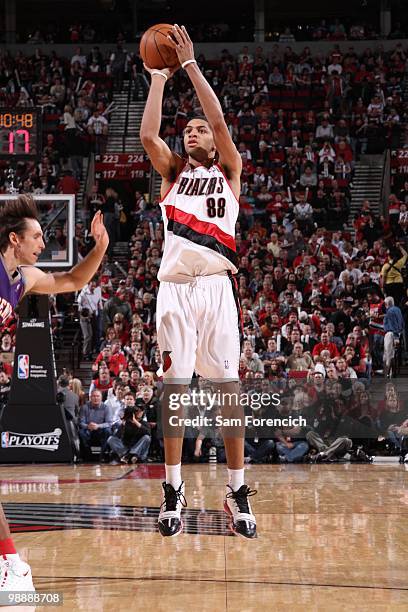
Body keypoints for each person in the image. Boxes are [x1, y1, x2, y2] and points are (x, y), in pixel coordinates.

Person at [140, 24, 257, 538]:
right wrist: (157, 78)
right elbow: (147, 135)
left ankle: (237, 491)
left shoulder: (229, 168)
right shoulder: (172, 173)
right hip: (175, 292)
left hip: (216, 290)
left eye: (199, 129)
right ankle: (173, 489)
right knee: (174, 392)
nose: (193, 131)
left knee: (229, 391)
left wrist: (189, 66)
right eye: (186, 130)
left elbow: (220, 120)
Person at [0, 195, 108, 591]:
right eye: (37, 237)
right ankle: (9, 563)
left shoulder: (23, 279)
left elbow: (73, 281)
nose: (43, 244)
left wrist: (101, 248)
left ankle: (10, 563)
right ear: (14, 239)